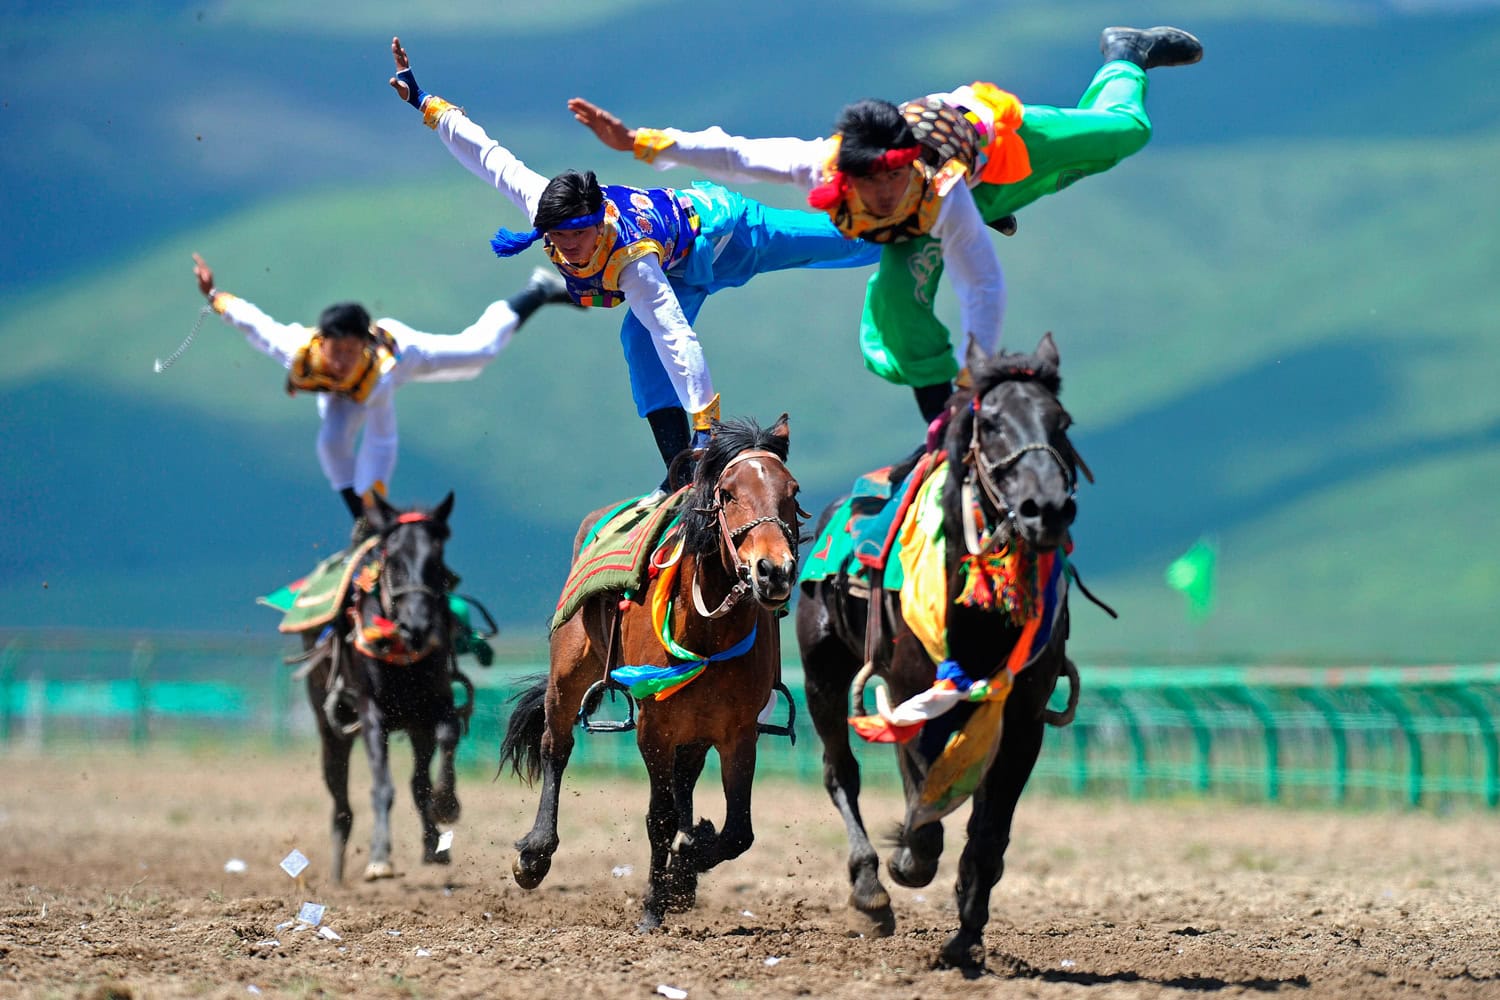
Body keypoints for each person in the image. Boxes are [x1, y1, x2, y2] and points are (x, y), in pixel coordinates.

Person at [569, 25, 1202, 424]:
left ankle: (1126, 57)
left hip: (1001, 151)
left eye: (894, 178)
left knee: (1125, 135)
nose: (884, 191)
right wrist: (641, 143)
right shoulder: (822, 166)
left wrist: (975, 361)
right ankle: (942, 429)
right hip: (928, 227)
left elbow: (982, 286)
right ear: (850, 175)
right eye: (871, 182)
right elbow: (734, 153)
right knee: (895, 312)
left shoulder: (937, 190)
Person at [387, 37, 880, 487]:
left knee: (839, 238)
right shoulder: (541, 201)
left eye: (578, 236)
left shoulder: (630, 259)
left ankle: (915, 229)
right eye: (557, 236)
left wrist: (707, 427)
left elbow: (677, 337)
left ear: (598, 222)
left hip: (729, 235)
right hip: (678, 268)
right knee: (637, 343)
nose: (569, 247)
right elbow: (487, 155)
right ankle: (679, 473)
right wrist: (423, 100)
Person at [191, 252, 570, 520]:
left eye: (351, 351)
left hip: (405, 355)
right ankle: (359, 520)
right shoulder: (298, 351)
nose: (341, 360)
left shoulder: (381, 372)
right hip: (340, 395)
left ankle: (537, 289)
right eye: (335, 349)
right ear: (320, 341)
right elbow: (254, 323)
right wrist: (214, 295)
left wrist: (374, 497)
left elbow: (381, 441)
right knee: (330, 441)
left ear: (365, 347)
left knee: (479, 353)